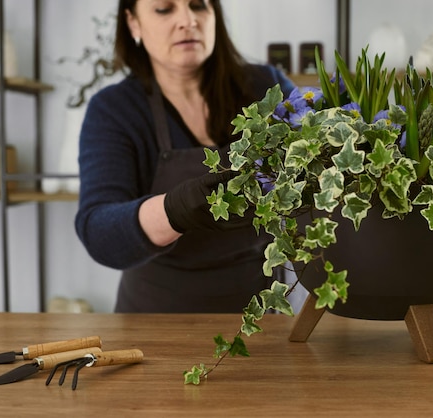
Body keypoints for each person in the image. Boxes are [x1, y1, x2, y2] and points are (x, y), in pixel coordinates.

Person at [75, 0, 295, 313]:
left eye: (198, 6)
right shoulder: (114, 109)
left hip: (267, 311)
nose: (188, 20)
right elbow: (98, 231)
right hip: (158, 318)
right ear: (133, 23)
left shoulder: (264, 88)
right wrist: (172, 211)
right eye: (164, 9)